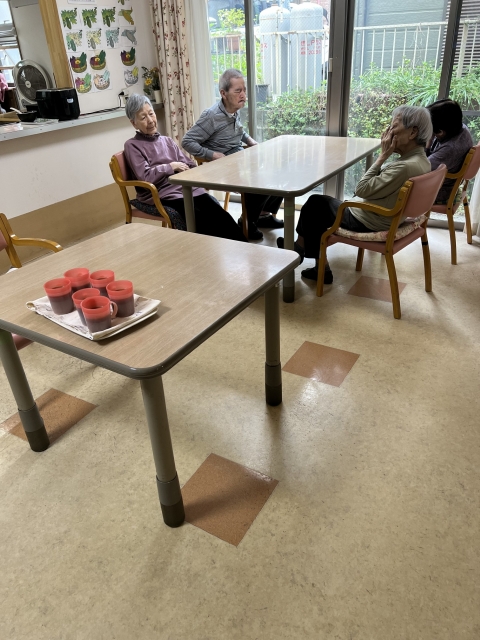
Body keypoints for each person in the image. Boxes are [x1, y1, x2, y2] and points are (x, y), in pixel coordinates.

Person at [277, 105, 432, 283]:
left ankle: (310, 259)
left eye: (394, 126)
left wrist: (382, 156)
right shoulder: (423, 161)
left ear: (412, 133)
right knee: (319, 206)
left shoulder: (404, 167)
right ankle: (300, 249)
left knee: (315, 204)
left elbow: (362, 189)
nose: (389, 131)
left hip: (369, 220)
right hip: (389, 216)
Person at [123, 94, 246, 243]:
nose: (150, 120)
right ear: (134, 123)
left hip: (185, 188)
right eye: (143, 117)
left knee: (219, 214)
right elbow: (145, 176)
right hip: (162, 194)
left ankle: (244, 248)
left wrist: (197, 173)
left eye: (151, 113)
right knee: (200, 221)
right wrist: (170, 166)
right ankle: (208, 251)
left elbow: (188, 163)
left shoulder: (166, 141)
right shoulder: (132, 146)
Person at [181, 68, 284, 240]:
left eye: (244, 90)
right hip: (220, 166)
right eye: (238, 91)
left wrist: (251, 141)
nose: (243, 95)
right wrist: (212, 155)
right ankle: (246, 221)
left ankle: (262, 215)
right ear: (223, 93)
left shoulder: (234, 109)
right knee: (260, 179)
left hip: (238, 159)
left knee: (276, 170)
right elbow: (187, 141)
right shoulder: (211, 116)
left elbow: (239, 131)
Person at [426, 99, 473, 204]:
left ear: (440, 132)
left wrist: (427, 144)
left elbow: (420, 169)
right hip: (448, 183)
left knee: (396, 187)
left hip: (440, 191)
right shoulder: (460, 128)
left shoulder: (450, 149)